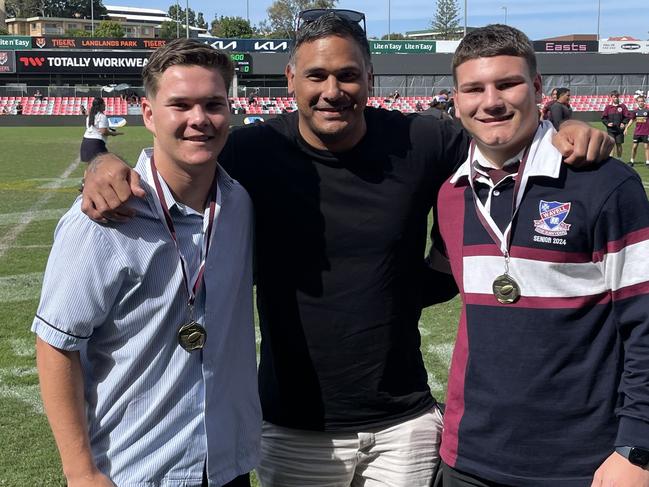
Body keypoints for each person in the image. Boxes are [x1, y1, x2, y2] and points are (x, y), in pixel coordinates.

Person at [80, 11, 612, 487]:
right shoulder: (251, 150)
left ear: (369, 80)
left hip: (404, 421)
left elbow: (500, 132)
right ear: (291, 80)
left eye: (347, 75)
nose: (332, 89)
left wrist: (564, 124)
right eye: (316, 75)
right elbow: (172, 161)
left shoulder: (420, 140)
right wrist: (102, 164)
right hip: (291, 425)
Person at [32, 38, 260, 487]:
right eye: (181, 104)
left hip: (227, 467)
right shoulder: (104, 217)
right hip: (138, 470)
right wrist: (80, 472)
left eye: (213, 104)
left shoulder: (239, 203)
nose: (199, 119)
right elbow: (55, 344)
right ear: (149, 114)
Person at [437, 24, 649, 487]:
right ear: (456, 100)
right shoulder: (451, 195)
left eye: (507, 84)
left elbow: (645, 322)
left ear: (536, 88)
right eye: (473, 88)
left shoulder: (606, 184)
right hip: (468, 457)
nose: (490, 101)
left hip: (583, 463)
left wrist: (638, 449)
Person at [79, 97, 122, 163]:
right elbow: (103, 132)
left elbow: (86, 113)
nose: (105, 105)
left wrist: (83, 110)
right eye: (103, 103)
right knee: (108, 165)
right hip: (96, 145)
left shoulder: (90, 115)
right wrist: (113, 134)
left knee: (92, 168)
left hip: (85, 143)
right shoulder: (102, 116)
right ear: (100, 105)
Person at [602, 90, 632, 161]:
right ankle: (611, 160)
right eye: (614, 97)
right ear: (611, 98)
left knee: (619, 144)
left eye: (617, 97)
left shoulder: (622, 106)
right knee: (611, 145)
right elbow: (603, 118)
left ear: (619, 97)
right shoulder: (608, 107)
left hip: (619, 130)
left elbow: (627, 116)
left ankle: (619, 159)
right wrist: (607, 123)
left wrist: (623, 123)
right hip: (611, 130)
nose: (616, 98)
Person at [626, 94, 649, 167]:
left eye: (642, 101)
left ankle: (647, 162)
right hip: (637, 132)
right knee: (634, 147)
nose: (641, 102)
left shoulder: (647, 110)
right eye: (639, 101)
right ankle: (632, 161)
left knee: (646, 147)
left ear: (644, 102)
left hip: (646, 132)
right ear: (637, 102)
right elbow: (632, 120)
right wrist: (626, 128)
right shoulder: (635, 111)